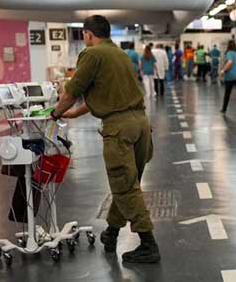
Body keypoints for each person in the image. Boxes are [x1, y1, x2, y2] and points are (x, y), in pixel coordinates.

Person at [49, 15, 159, 264]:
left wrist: (54, 114)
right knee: (128, 183)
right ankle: (111, 233)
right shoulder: (120, 54)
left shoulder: (91, 55)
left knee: (125, 186)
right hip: (141, 124)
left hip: (119, 129)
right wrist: (75, 113)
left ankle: (149, 244)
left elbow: (71, 92)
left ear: (88, 34)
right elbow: (103, 94)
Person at [219, 40, 236, 114]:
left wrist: (223, 71)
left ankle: (224, 109)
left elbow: (230, 62)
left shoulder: (229, 53)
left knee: (227, 94)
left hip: (231, 77)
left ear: (228, 46)